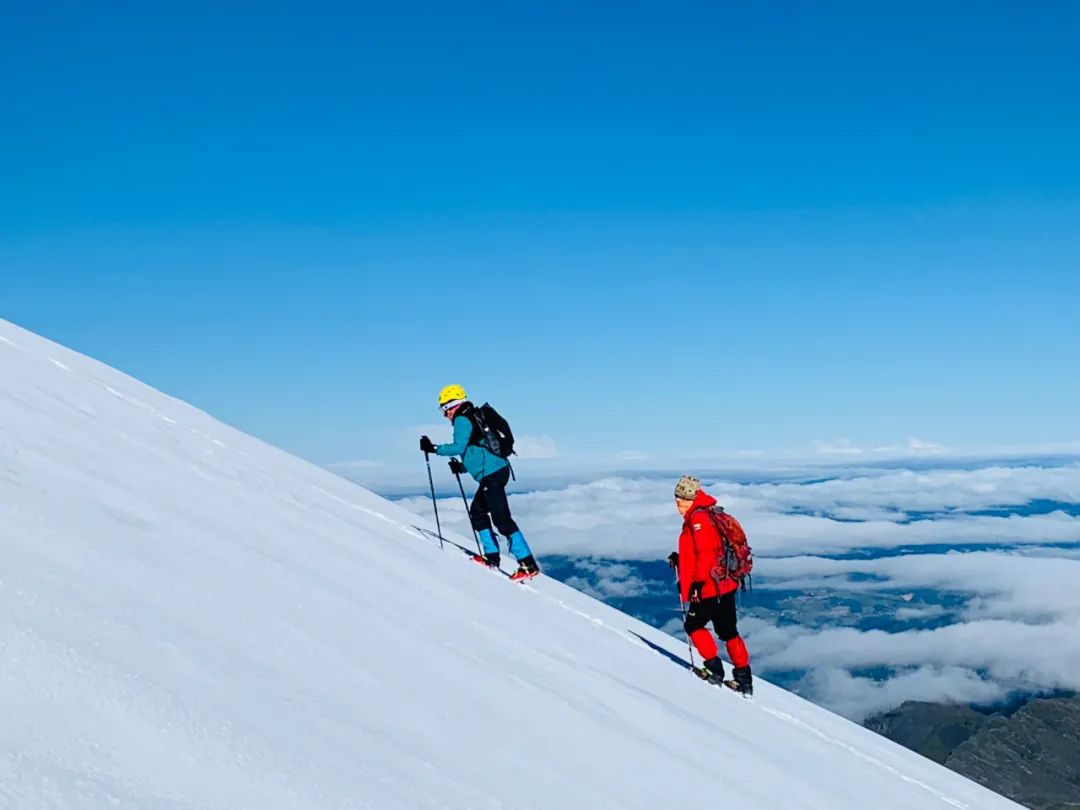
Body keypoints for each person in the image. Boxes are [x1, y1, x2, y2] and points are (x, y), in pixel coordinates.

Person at [420, 384, 540, 581]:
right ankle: (492, 558)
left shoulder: (461, 419)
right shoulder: (472, 415)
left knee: (501, 519)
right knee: (478, 512)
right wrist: (462, 468)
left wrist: (433, 448)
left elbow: (459, 447)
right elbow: (478, 450)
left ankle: (527, 565)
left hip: (492, 475)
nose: (444, 414)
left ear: (453, 404)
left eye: (444, 409)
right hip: (496, 472)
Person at [667, 475, 753, 695]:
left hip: (709, 587)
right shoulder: (707, 513)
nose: (679, 505)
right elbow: (701, 553)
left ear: (691, 498)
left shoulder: (698, 520)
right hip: (725, 584)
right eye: (677, 500)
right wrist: (681, 559)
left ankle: (714, 670)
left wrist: (696, 585)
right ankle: (744, 680)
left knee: (693, 626)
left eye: (682, 500)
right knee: (728, 631)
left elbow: (706, 556)